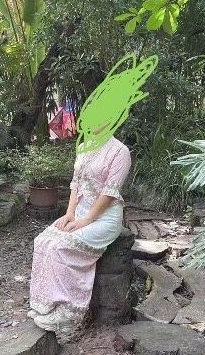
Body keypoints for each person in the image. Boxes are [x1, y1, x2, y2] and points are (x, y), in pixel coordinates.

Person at [28, 128, 132, 341]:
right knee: (43, 241)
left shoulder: (119, 151)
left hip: (105, 219)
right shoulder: (84, 147)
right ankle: (47, 305)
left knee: (61, 247)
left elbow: (110, 192)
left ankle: (69, 312)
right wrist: (70, 214)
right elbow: (76, 184)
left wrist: (86, 220)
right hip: (79, 213)